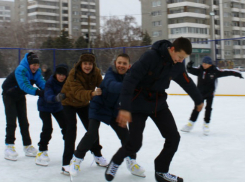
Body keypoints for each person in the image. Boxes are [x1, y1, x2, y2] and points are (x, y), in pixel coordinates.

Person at [104, 37, 204, 182]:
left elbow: (186, 82)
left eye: (184, 58)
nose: (181, 60)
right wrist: (125, 108)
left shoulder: (177, 65)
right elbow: (130, 80)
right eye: (180, 56)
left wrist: (198, 99)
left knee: (173, 138)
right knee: (135, 143)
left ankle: (161, 172)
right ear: (172, 49)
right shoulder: (151, 57)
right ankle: (116, 161)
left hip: (158, 103)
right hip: (138, 103)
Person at [69, 53, 145, 177]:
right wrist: (128, 87)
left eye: (124, 63)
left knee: (126, 136)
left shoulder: (130, 77)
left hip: (114, 111)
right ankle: (76, 159)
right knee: (91, 134)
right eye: (119, 63)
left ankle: (131, 162)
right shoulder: (110, 74)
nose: (121, 65)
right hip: (98, 107)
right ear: (115, 63)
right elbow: (112, 86)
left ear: (128, 66)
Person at [60, 52, 107, 175]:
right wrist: (92, 94)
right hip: (69, 103)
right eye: (85, 63)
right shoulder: (73, 74)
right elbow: (78, 93)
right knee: (71, 131)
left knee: (92, 129)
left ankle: (97, 155)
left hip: (84, 104)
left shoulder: (96, 72)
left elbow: (102, 85)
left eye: (90, 64)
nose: (87, 66)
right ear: (81, 64)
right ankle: (67, 162)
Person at [181, 56, 243, 135]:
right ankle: (190, 124)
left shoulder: (215, 71)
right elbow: (190, 70)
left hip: (210, 94)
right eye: (203, 63)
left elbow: (227, 72)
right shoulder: (199, 70)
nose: (204, 65)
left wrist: (237, 74)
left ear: (210, 64)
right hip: (199, 93)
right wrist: (189, 66)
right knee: (197, 108)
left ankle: (206, 124)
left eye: (206, 64)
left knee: (208, 108)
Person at [2, 52, 46, 161]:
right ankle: (9, 146)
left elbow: (41, 82)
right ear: (29, 64)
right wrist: (38, 92)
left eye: (37, 65)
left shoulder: (37, 72)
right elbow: (24, 85)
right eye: (33, 65)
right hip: (9, 95)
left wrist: (50, 90)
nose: (35, 67)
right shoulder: (21, 69)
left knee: (24, 121)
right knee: (11, 121)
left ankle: (27, 146)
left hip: (20, 96)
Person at [36, 64, 68, 166]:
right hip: (44, 106)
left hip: (57, 107)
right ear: (55, 74)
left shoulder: (66, 82)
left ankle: (69, 149)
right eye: (59, 74)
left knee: (66, 126)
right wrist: (56, 98)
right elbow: (48, 95)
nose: (61, 77)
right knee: (48, 128)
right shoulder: (50, 82)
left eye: (63, 75)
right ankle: (42, 150)